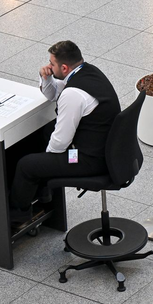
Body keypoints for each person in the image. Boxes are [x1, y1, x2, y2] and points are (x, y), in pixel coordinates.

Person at [8, 40, 121, 226]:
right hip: (104, 149)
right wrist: (46, 79)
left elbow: (60, 143)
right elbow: (54, 95)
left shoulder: (73, 94)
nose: (49, 67)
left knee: (26, 165)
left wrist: (44, 163)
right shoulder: (88, 72)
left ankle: (16, 218)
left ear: (65, 67)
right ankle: (43, 193)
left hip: (88, 160)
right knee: (46, 132)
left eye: (52, 64)